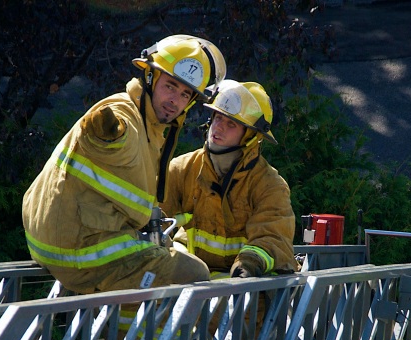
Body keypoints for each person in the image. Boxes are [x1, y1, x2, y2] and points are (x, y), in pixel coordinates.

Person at [22, 35, 226, 294]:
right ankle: (132, 323)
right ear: (150, 78)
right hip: (80, 251)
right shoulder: (124, 113)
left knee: (172, 253)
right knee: (193, 273)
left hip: (62, 242)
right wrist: (107, 132)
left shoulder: (151, 127)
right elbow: (108, 133)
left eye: (185, 94)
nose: (175, 100)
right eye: (170, 86)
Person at [160, 80, 297, 279]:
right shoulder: (182, 169)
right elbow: (155, 220)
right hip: (194, 286)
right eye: (218, 118)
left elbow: (273, 236)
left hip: (247, 290)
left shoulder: (270, 185)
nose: (219, 127)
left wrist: (250, 263)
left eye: (231, 124)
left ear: (250, 136)